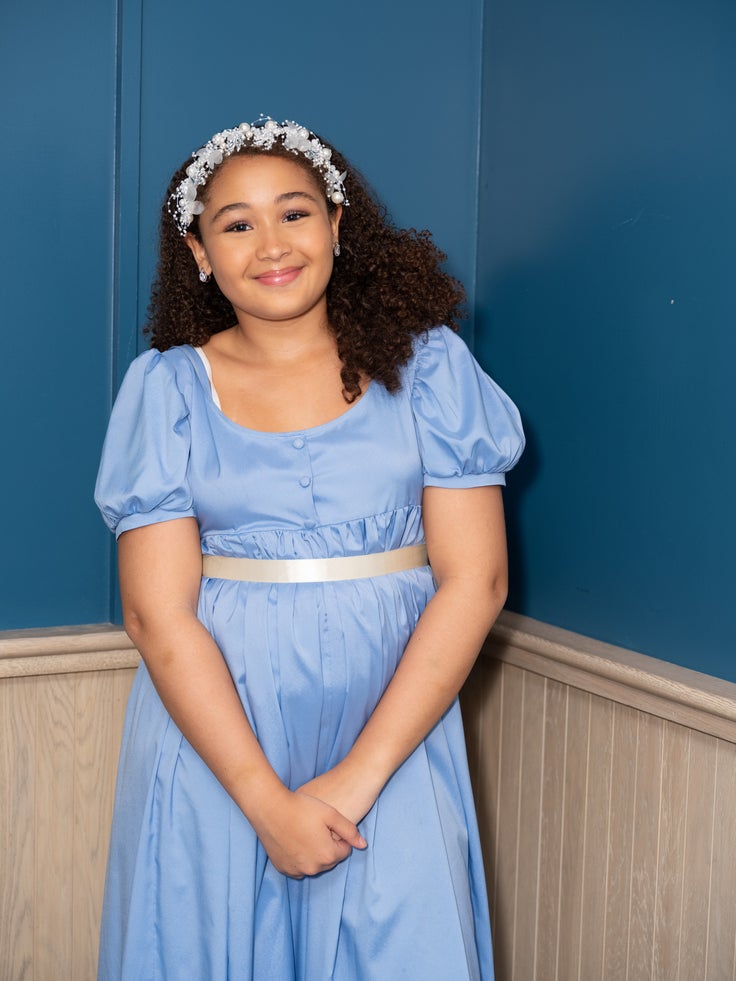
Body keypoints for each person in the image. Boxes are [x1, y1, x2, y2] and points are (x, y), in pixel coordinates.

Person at [95, 117, 525, 981]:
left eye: (293, 213)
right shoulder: (166, 389)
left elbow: (474, 579)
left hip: (395, 728)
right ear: (200, 252)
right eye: (237, 223)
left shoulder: (432, 369)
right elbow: (154, 611)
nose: (271, 244)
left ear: (336, 223)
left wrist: (355, 780)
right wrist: (262, 797)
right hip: (220, 741)